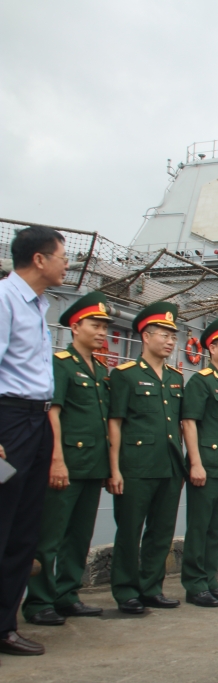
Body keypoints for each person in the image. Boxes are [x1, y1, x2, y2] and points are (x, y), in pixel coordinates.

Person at [23, 292, 112, 626]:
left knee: (79, 535)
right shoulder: (60, 364)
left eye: (105, 326)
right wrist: (56, 459)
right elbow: (53, 414)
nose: (102, 331)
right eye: (95, 324)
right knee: (50, 536)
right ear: (75, 327)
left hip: (93, 464)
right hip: (67, 463)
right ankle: (39, 601)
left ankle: (67, 594)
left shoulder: (100, 369)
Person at [0, 226, 66, 657]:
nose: (67, 263)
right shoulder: (5, 300)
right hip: (8, 421)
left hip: (36, 420)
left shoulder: (37, 304)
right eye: (62, 256)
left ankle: (6, 625)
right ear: (39, 259)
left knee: (24, 530)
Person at [107, 302, 186, 613]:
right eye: (164, 334)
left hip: (169, 464)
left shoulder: (176, 378)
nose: (169, 341)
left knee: (161, 530)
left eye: (173, 336)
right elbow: (115, 422)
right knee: (129, 529)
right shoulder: (124, 375)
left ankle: (151, 587)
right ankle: (126, 591)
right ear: (146, 336)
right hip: (136, 465)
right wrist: (114, 469)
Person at [179, 317, 218, 608]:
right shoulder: (201, 381)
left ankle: (209, 580)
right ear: (211, 347)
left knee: (217, 529)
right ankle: (194, 585)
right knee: (199, 527)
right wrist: (195, 463)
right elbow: (189, 423)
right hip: (206, 466)